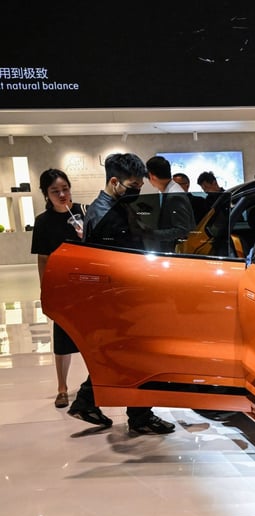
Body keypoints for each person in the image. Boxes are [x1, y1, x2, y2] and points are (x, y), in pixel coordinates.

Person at [69, 153, 176, 434]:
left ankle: (89, 402)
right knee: (135, 354)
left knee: (121, 355)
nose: (137, 191)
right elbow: (113, 259)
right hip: (120, 296)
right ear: (114, 182)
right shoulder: (106, 215)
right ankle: (138, 416)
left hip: (123, 294)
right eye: (133, 186)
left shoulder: (111, 206)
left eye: (140, 185)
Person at [30, 169, 83, 409]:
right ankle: (62, 387)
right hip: (62, 286)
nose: (62, 194)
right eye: (55, 191)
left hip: (87, 283)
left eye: (65, 189)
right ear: (46, 194)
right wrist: (45, 290)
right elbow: (42, 258)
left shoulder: (84, 212)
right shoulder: (43, 222)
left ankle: (97, 384)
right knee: (62, 337)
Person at [144, 155, 195, 252]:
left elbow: (182, 230)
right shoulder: (170, 190)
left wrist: (151, 234)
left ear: (151, 176)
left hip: (176, 252)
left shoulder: (174, 195)